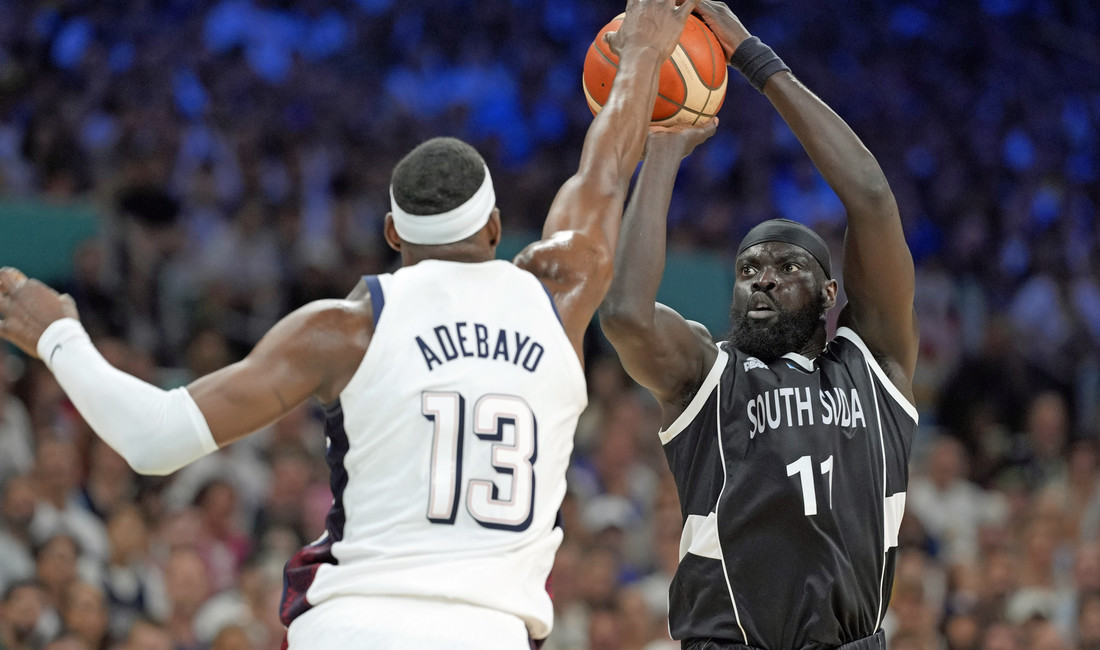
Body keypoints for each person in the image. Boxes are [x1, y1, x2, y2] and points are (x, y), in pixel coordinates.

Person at [0, 1, 704, 647]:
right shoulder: (563, 292)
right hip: (488, 632)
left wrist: (56, 333)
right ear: (495, 226)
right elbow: (606, 167)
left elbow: (152, 439)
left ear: (393, 234)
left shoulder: (345, 328)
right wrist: (642, 56)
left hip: (355, 626)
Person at [597, 2, 919, 649]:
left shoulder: (873, 366)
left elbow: (872, 198)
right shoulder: (708, 375)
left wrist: (750, 55)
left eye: (786, 265)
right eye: (749, 268)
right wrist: (661, 149)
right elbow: (627, 314)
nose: (763, 277)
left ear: (831, 293)